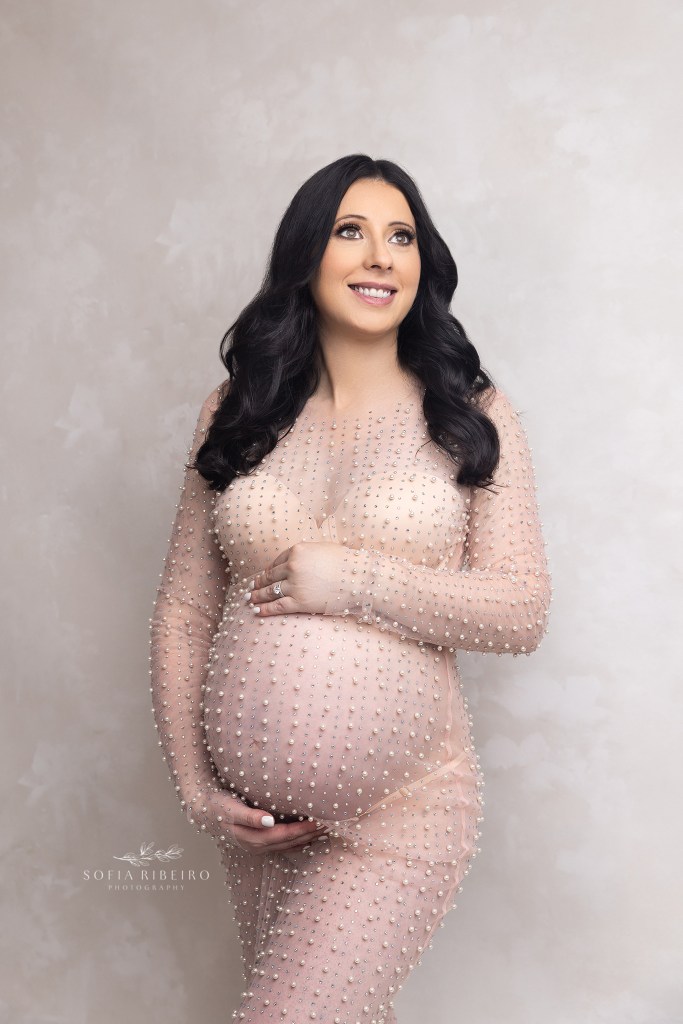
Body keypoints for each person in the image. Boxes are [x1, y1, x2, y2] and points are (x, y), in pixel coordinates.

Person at [149, 153, 552, 1023]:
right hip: (255, 824)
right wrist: (197, 791)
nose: (380, 256)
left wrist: (355, 579)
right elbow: (183, 609)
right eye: (351, 231)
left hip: (402, 808)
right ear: (306, 253)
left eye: (401, 237)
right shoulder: (239, 407)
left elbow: (520, 610)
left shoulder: (468, 411)